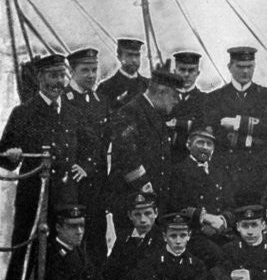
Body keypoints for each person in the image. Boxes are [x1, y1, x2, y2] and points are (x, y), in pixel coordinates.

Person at [1, 53, 92, 280]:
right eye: (52, 76)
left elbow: (92, 145)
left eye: (62, 76)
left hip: (65, 195)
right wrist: (13, 156)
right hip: (33, 195)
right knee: (24, 251)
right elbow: (4, 155)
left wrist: (84, 166)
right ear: (40, 79)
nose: (58, 82)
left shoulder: (75, 111)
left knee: (64, 253)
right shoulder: (23, 113)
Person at [106, 67, 184, 238]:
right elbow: (127, 157)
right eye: (175, 95)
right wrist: (147, 191)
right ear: (161, 92)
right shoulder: (129, 112)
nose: (177, 101)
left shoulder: (155, 113)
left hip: (151, 202)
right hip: (135, 202)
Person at [205, 46, 267, 203]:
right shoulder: (215, 98)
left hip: (258, 174)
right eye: (240, 67)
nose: (245, 72)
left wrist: (236, 122)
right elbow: (215, 133)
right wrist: (253, 133)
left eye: (250, 66)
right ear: (229, 67)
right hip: (225, 173)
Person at [63, 47, 111, 268]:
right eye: (85, 70)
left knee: (96, 237)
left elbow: (103, 142)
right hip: (73, 183)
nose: (91, 75)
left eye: (94, 70)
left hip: (97, 184)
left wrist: (91, 167)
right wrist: (81, 165)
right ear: (72, 71)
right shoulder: (64, 101)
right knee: (72, 238)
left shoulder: (100, 101)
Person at [165, 125, 237, 266]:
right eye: (200, 142)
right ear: (188, 144)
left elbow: (230, 204)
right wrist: (204, 218)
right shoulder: (179, 171)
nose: (205, 147)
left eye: (209, 144)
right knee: (217, 257)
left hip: (220, 232)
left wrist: (222, 220)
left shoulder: (219, 172)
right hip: (194, 233)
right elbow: (175, 206)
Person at [104, 192, 162, 280]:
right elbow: (110, 271)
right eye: (137, 214)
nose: (143, 220)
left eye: (148, 213)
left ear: (156, 213)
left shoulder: (163, 238)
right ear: (130, 215)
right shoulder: (123, 237)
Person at [167, 51, 208, 164]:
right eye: (182, 69)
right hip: (166, 159)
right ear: (175, 71)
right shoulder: (165, 98)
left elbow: (202, 127)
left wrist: (177, 123)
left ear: (198, 73)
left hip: (191, 161)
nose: (186, 74)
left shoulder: (204, 100)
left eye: (191, 70)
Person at [97, 37, 148, 111]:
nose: (134, 60)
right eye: (129, 55)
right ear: (119, 57)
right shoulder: (106, 87)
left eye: (137, 55)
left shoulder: (148, 85)